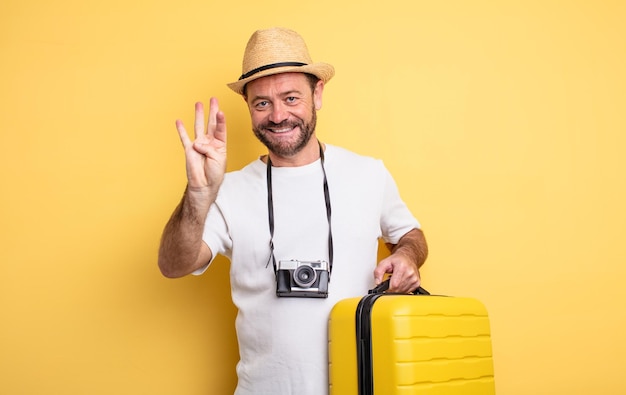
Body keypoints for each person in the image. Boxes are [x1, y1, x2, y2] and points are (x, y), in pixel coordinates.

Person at [158, 27, 428, 395]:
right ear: (249, 108)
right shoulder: (228, 190)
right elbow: (173, 265)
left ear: (317, 94)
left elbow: (409, 235)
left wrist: (409, 257)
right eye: (262, 103)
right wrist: (199, 192)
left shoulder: (368, 173)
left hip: (359, 384)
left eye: (290, 98)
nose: (278, 115)